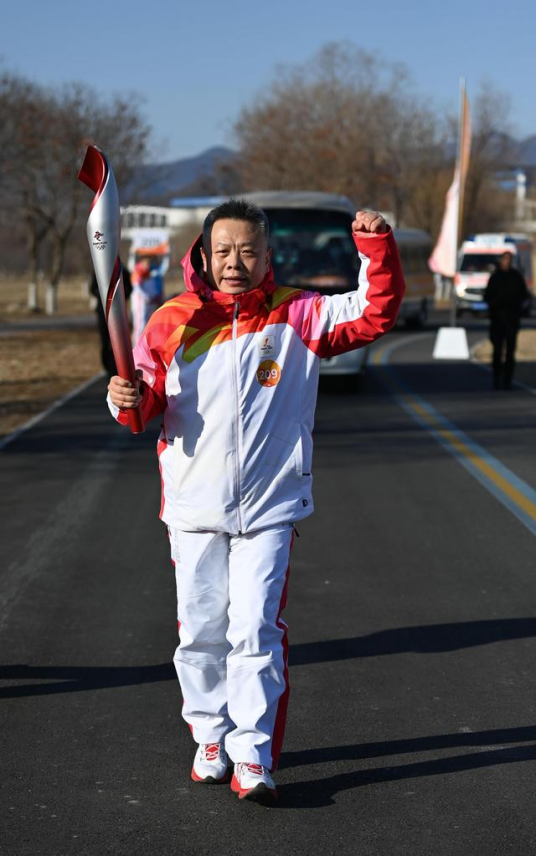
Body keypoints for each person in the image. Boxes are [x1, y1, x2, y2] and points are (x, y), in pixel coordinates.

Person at [107, 198, 405, 805]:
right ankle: (210, 738)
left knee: (255, 628)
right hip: (193, 508)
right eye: (224, 251)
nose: (235, 262)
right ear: (205, 255)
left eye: (248, 250)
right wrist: (125, 398)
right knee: (200, 634)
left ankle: (253, 751)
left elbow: (375, 312)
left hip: (269, 505)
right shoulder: (170, 321)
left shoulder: (297, 314)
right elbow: (144, 409)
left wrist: (375, 247)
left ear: (267, 255)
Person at [484, 252, 531, 389]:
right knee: (497, 350)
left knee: (510, 351)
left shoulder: (516, 277)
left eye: (509, 259)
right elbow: (487, 296)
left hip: (512, 319)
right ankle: (496, 378)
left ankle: (508, 380)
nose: (507, 262)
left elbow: (524, 296)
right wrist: (494, 306)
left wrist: (518, 308)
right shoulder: (495, 277)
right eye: (505, 259)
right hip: (497, 319)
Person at [90, 266, 132, 379]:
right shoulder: (99, 271)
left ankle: (117, 367)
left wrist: (120, 296)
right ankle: (107, 367)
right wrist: (105, 296)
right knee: (105, 341)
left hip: (118, 312)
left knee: (118, 341)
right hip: (102, 311)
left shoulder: (123, 270)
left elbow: (129, 288)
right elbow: (92, 289)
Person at [131, 256, 164, 344]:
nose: (148, 265)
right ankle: (136, 345)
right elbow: (137, 287)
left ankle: (144, 345)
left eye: (149, 264)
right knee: (140, 325)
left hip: (149, 302)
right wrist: (146, 296)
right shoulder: (137, 271)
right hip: (140, 303)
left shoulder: (149, 272)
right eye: (146, 263)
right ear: (142, 263)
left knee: (148, 325)